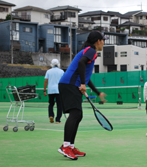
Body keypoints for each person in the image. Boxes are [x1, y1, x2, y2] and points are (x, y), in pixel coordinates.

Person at [57, 31, 107, 160]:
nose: (104, 42)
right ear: (98, 41)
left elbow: (85, 74)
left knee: (78, 115)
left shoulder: (88, 51)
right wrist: (82, 84)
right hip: (69, 84)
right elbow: (81, 64)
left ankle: (71, 146)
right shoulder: (91, 50)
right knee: (75, 114)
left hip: (70, 84)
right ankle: (65, 147)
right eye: (103, 40)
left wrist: (97, 92)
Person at [44, 59, 64, 124]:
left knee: (51, 104)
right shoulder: (61, 71)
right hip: (59, 90)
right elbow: (63, 81)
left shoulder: (48, 71)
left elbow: (46, 81)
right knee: (59, 105)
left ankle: (51, 115)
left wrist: (44, 90)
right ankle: (58, 120)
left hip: (50, 90)